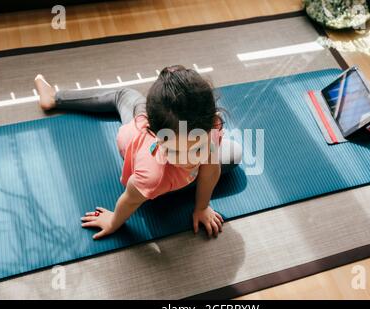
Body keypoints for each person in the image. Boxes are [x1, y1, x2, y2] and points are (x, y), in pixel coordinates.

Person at [34, 65, 242, 240]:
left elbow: (211, 169)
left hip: (168, 177)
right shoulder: (150, 170)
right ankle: (54, 98)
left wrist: (202, 207)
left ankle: (173, 184)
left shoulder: (211, 128)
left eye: (197, 148)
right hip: (145, 160)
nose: (189, 159)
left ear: (214, 123)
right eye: (175, 151)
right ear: (154, 133)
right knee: (123, 95)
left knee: (234, 154)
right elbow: (130, 199)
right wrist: (114, 221)